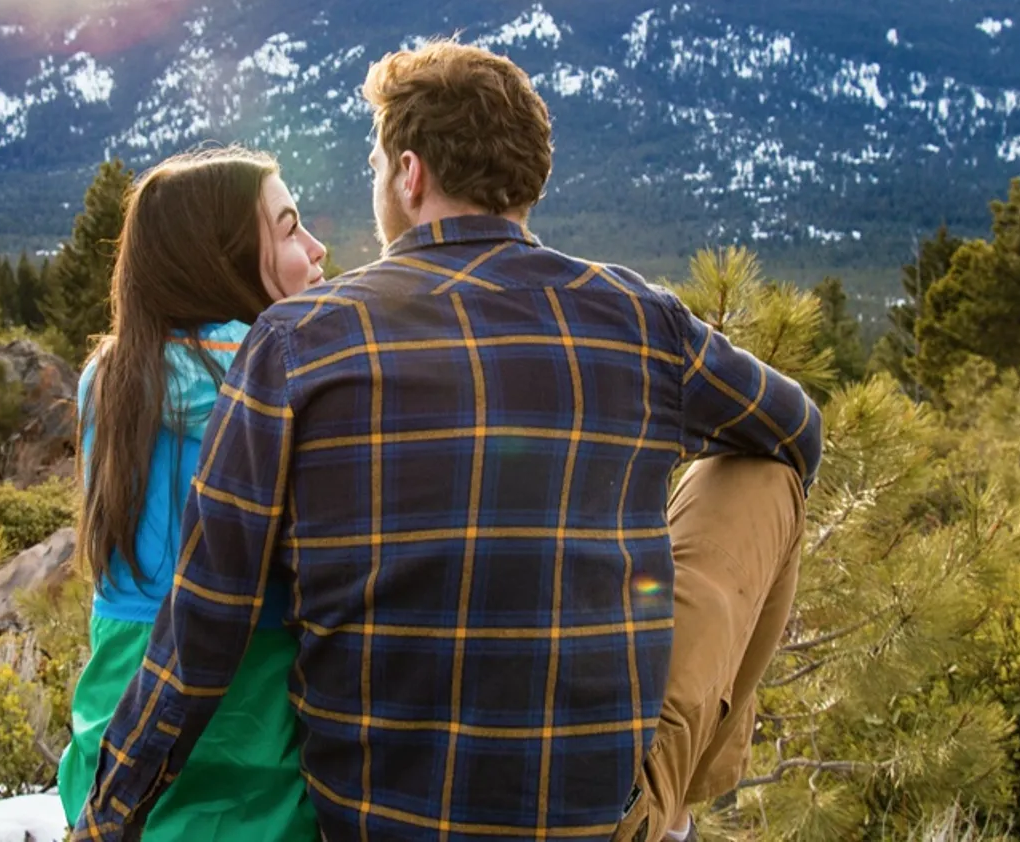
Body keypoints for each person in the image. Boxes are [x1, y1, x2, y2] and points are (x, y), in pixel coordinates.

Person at [73, 41, 822, 842]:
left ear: (409, 173)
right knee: (764, 471)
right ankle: (681, 795)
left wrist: (105, 819)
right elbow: (796, 432)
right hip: (595, 825)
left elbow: (203, 624)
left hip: (377, 826)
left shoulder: (297, 342)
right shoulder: (642, 320)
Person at [58, 145, 328, 842]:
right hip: (254, 695)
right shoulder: (284, 379)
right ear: (227, 255)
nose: (317, 246)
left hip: (121, 690)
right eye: (291, 227)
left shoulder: (110, 378)